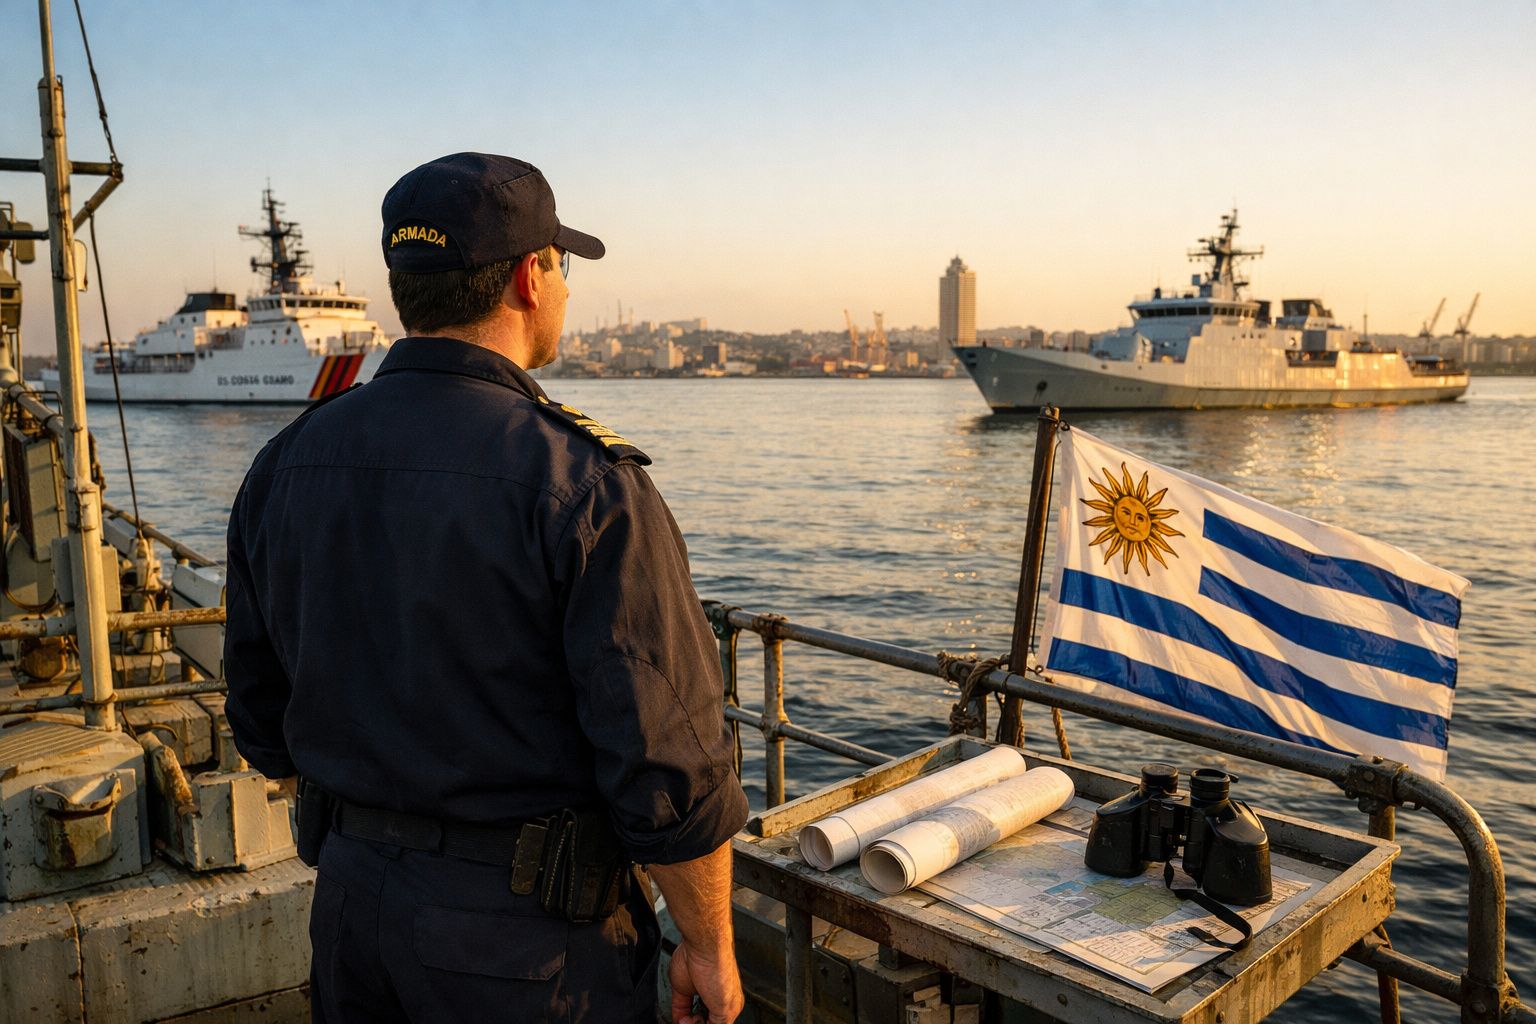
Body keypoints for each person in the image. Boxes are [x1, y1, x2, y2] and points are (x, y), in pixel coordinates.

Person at [224, 152, 748, 1024]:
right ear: (528, 278)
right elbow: (668, 765)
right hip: (530, 950)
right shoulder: (584, 484)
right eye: (560, 263)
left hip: (353, 914)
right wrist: (710, 949)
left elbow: (260, 717)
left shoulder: (287, 463)